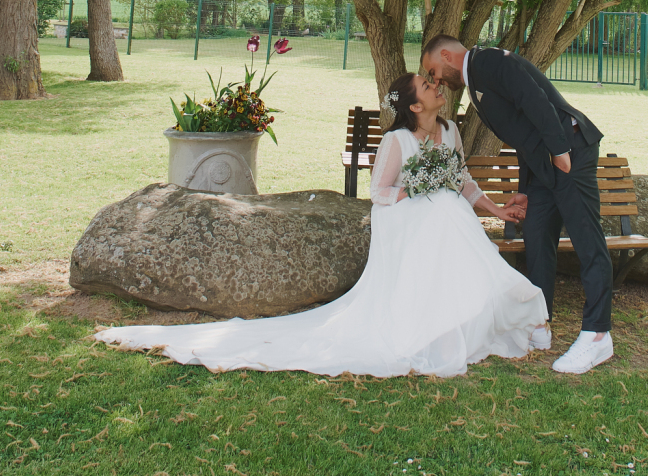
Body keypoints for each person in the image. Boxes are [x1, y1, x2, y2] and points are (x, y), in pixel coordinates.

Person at [95, 72, 549, 377]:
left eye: (433, 83)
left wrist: (496, 211)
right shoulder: (396, 141)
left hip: (447, 221)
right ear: (413, 105)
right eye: (427, 86)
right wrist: (420, 191)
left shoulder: (450, 132)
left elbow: (462, 180)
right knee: (439, 212)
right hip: (408, 223)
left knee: (449, 212)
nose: (436, 87)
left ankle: (475, 315)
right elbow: (380, 193)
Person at [421, 35, 614, 375]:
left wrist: (560, 152)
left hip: (568, 151)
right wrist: (525, 189)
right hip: (543, 166)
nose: (436, 81)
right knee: (537, 236)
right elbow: (523, 131)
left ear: (447, 56)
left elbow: (533, 98)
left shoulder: (487, 62)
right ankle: (539, 322)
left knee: (587, 239)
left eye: (433, 71)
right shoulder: (475, 77)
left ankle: (598, 334)